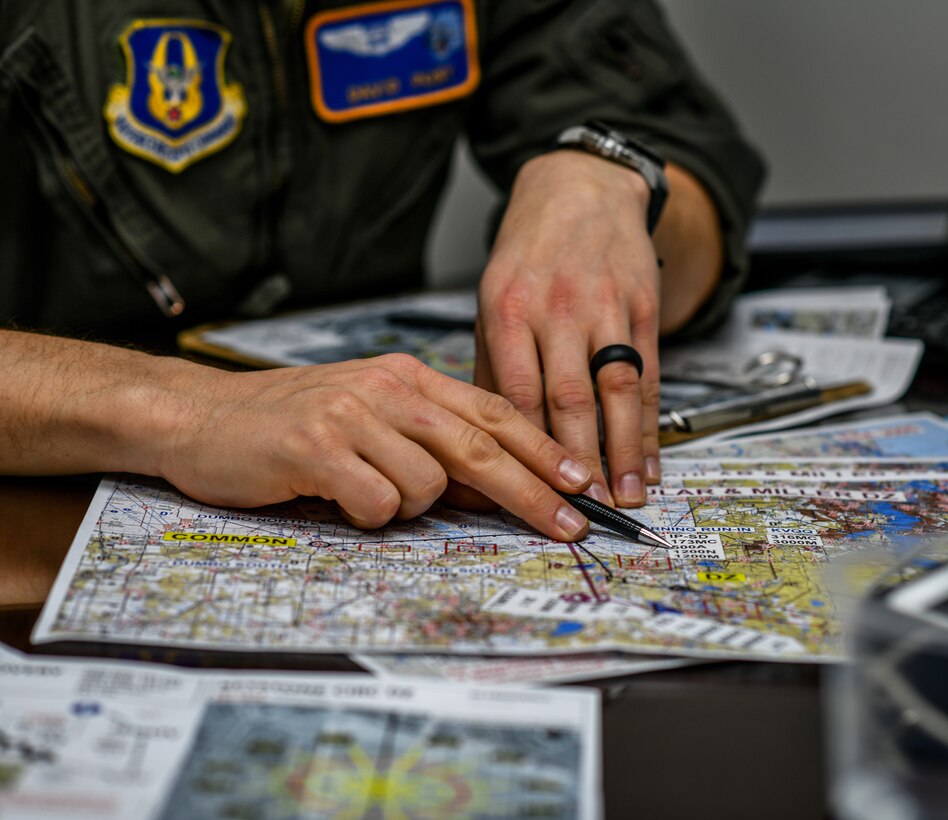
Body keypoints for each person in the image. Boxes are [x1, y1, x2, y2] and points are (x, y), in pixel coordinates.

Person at [0, 1, 764, 542]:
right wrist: (187, 411)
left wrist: (609, 181)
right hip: (42, 510)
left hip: (389, 487)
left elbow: (692, 173)